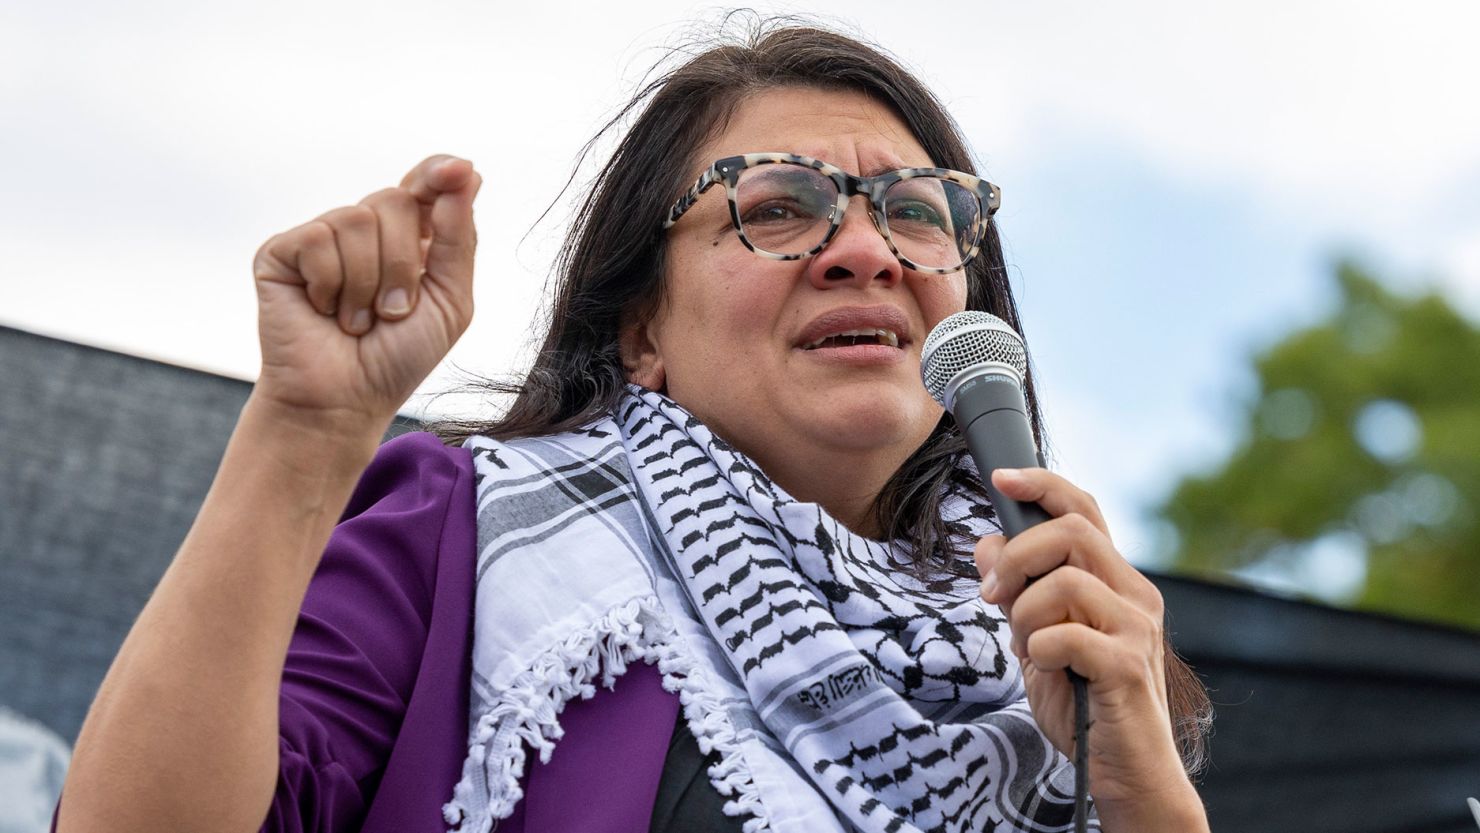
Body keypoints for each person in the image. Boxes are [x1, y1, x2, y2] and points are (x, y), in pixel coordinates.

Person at [56, 21, 1212, 833]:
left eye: (916, 211)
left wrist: (1144, 787)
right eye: (776, 206)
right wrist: (304, 435)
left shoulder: (1054, 636)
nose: (865, 248)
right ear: (638, 330)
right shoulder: (462, 533)